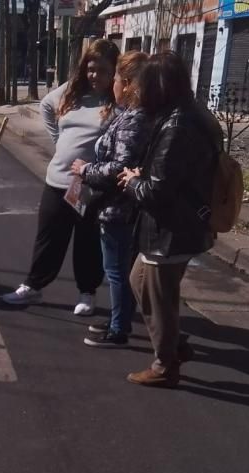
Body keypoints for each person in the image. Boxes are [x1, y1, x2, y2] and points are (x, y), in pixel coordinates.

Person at [118, 51, 223, 387]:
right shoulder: (188, 114)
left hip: (170, 229)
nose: (136, 91)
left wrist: (132, 181)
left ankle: (165, 365)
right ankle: (174, 344)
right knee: (141, 281)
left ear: (158, 88)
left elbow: (157, 191)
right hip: (180, 224)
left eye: (142, 85)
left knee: (156, 295)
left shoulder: (177, 125)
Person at [2, 39, 120, 316]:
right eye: (91, 69)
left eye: (103, 70)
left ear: (114, 71)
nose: (95, 75)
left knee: (87, 242)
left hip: (90, 185)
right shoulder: (72, 91)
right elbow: (46, 105)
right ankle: (33, 286)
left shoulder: (116, 101)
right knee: (48, 238)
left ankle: (87, 292)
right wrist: (59, 141)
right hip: (57, 180)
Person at [70, 50, 152, 347]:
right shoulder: (131, 114)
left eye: (116, 78)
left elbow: (120, 167)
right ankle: (120, 321)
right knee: (121, 271)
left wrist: (86, 170)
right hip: (122, 206)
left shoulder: (134, 119)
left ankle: (118, 330)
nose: (112, 84)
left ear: (127, 83)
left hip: (119, 208)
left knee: (117, 271)